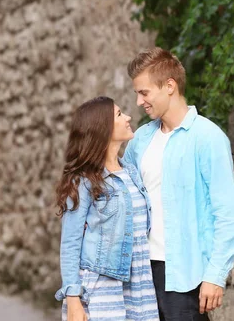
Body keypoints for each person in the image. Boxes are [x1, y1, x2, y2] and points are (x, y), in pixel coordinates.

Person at [123, 47, 234, 320]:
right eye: (137, 94)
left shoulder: (208, 138)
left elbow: (227, 216)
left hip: (185, 277)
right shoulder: (140, 139)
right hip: (140, 272)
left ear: (169, 86)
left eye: (144, 93)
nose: (140, 102)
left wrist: (215, 275)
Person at [55, 96, 160, 321]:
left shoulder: (131, 172)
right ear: (103, 128)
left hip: (139, 285)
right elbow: (71, 242)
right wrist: (73, 298)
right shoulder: (83, 180)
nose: (129, 117)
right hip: (102, 288)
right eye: (120, 114)